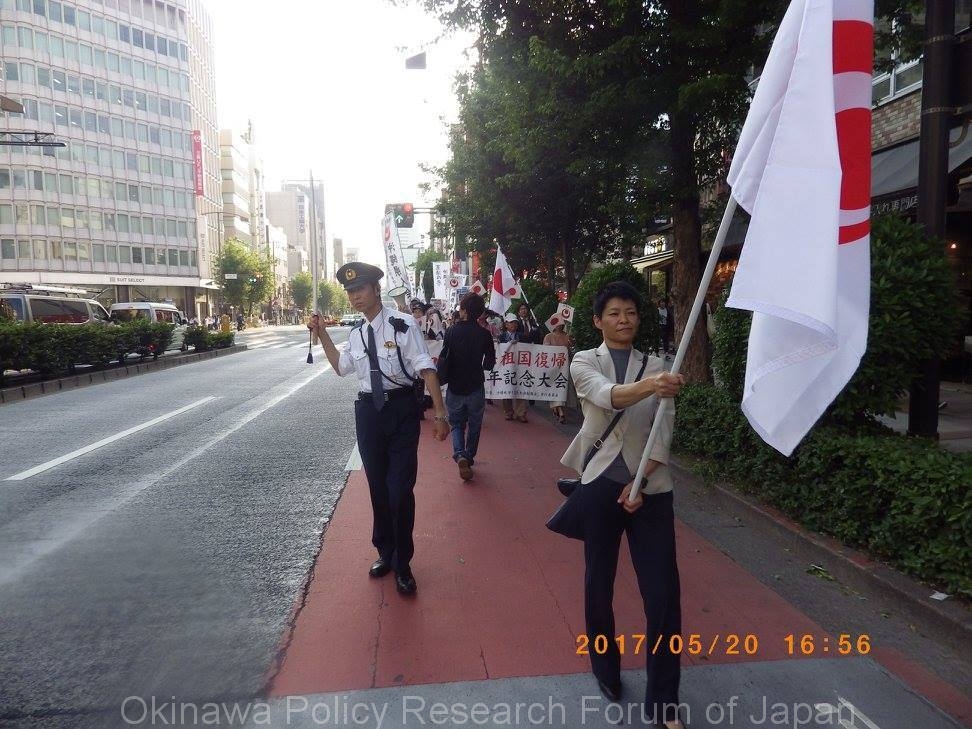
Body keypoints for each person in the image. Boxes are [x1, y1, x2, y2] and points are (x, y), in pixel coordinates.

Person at [560, 280, 686, 728]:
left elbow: (663, 432)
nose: (624, 320)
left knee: (664, 595)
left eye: (630, 312)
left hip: (650, 490)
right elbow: (607, 396)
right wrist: (655, 386)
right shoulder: (583, 361)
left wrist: (641, 481)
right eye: (614, 313)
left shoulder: (659, 365)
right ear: (598, 320)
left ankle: (664, 702)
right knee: (599, 585)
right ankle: (605, 670)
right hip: (598, 487)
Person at [308, 262, 450, 596]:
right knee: (378, 489)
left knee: (399, 489)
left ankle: (403, 563)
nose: (355, 296)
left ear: (375, 290)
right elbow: (341, 367)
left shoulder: (402, 324)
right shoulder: (356, 334)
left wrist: (440, 413)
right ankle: (385, 552)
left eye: (360, 289)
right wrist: (323, 334)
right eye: (350, 292)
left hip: (401, 410)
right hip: (368, 414)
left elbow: (426, 368)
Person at [437, 293, 496, 481]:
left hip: (455, 385)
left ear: (463, 311)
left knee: (456, 424)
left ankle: (459, 453)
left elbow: (444, 356)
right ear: (479, 313)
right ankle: (469, 456)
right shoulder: (484, 334)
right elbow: (489, 362)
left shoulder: (451, 331)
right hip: (476, 385)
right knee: (475, 424)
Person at [498, 313, 530, 422]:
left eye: (515, 323)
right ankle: (508, 412)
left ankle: (521, 413)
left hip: (520, 367)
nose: (514, 325)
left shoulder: (522, 336)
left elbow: (528, 348)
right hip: (506, 367)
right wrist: (508, 344)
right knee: (506, 388)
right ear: (506, 324)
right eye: (511, 322)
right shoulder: (501, 337)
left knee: (521, 388)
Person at [542, 323, 571, 424]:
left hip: (563, 366)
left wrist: (571, 343)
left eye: (562, 323)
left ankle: (558, 409)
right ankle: (560, 411)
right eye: (557, 323)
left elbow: (569, 350)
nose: (560, 326)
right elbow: (545, 350)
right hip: (552, 366)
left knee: (561, 386)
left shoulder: (567, 336)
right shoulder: (548, 336)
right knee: (553, 387)